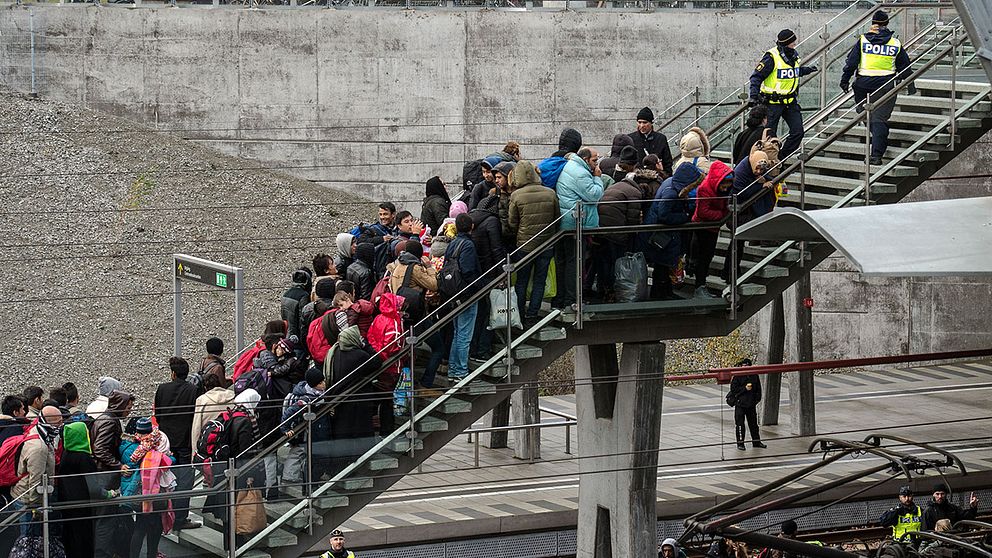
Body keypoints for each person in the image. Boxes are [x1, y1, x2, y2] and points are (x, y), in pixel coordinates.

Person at [840, 10, 914, 165]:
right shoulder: (895, 43)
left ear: (873, 24)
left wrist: (844, 80)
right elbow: (905, 66)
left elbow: (851, 63)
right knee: (879, 119)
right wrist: (911, 85)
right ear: (887, 24)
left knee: (865, 114)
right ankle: (876, 154)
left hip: (862, 85)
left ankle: (879, 140)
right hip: (885, 86)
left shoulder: (862, 41)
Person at [749, 29, 817, 160]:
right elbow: (756, 77)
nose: (795, 44)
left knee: (798, 132)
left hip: (790, 102)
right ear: (786, 43)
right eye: (792, 42)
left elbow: (792, 71)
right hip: (772, 104)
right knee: (768, 137)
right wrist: (754, 96)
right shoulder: (771, 57)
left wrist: (806, 70)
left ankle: (780, 158)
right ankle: (767, 161)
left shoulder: (793, 55)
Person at [553, 147, 605, 310]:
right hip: (575, 224)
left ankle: (559, 300)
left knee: (563, 262)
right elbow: (594, 195)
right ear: (585, 159)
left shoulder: (571, 167)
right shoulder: (581, 173)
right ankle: (571, 300)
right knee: (574, 263)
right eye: (594, 160)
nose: (597, 164)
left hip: (565, 221)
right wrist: (597, 178)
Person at [508, 160, 559, 325]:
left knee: (521, 281)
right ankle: (532, 315)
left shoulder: (516, 196)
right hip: (546, 245)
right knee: (540, 280)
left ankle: (520, 315)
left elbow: (512, 223)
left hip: (525, 246)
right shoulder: (550, 193)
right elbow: (556, 219)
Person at [153, 356, 200, 530]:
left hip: (166, 444)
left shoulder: (162, 389)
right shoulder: (193, 390)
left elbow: (157, 414)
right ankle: (180, 518)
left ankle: (164, 515)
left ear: (173, 373)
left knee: (165, 480)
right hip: (186, 442)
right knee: (185, 481)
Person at [644, 163, 704, 300]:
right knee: (663, 264)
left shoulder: (671, 184)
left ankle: (664, 292)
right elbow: (664, 215)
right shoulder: (671, 192)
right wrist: (685, 216)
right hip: (662, 233)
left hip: (663, 232)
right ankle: (660, 294)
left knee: (664, 263)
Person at [325, 325, 380, 473]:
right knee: (359, 432)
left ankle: (337, 466)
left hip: (339, 398)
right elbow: (377, 362)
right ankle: (360, 462)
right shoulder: (359, 355)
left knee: (342, 433)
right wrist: (366, 345)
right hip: (357, 400)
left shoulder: (334, 352)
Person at [597, 166, 657, 300]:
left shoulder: (619, 185)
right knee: (617, 261)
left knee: (605, 260)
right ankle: (617, 291)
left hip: (602, 226)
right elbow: (632, 220)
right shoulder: (635, 193)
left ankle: (604, 289)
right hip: (617, 229)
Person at [90, 390, 135, 558]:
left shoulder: (104, 418)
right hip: (105, 477)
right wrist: (119, 465)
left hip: (101, 475)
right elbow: (100, 449)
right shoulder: (110, 421)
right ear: (119, 405)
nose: (129, 411)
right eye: (128, 407)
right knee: (105, 520)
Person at [123, 419, 175, 558]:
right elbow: (170, 460)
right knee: (154, 524)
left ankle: (135, 556)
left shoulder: (133, 446)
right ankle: (151, 554)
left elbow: (131, 462)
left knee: (141, 525)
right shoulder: (160, 439)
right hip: (157, 491)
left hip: (139, 492)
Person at [9, 405, 60, 536]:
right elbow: (36, 482)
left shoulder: (40, 433)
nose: (62, 424)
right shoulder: (39, 448)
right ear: (48, 422)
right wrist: (37, 509)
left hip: (23, 496)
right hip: (28, 502)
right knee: (28, 540)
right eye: (58, 421)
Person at [469, 194, 507, 358]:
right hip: (491, 272)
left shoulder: (473, 220)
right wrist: (503, 271)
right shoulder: (491, 221)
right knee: (490, 313)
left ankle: (473, 348)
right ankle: (483, 350)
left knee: (480, 312)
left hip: (479, 273)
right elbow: (497, 249)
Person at [280, 367, 330, 486]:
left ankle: (311, 484)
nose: (324, 384)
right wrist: (285, 428)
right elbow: (290, 412)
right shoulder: (306, 399)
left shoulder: (317, 393)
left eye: (323, 381)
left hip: (318, 431)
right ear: (313, 385)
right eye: (320, 383)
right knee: (314, 459)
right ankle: (310, 485)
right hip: (313, 433)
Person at [446, 213, 481, 381]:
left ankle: (453, 370)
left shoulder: (452, 244)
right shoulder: (468, 245)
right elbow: (468, 271)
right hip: (466, 294)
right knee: (465, 335)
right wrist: (478, 286)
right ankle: (461, 371)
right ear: (472, 227)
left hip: (453, 293)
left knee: (457, 332)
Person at [691, 160, 734, 297]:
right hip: (703, 227)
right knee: (703, 257)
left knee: (707, 257)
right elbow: (703, 212)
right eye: (724, 183)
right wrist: (722, 215)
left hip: (713, 227)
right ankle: (699, 286)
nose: (726, 187)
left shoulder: (724, 190)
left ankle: (701, 285)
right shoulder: (704, 189)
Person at [56, 421, 98, 558]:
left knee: (71, 536)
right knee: (84, 539)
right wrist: (109, 493)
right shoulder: (84, 458)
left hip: (67, 503)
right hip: (83, 505)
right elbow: (93, 487)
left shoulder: (66, 454)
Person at [726, 358, 766, 450]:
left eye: (747, 365)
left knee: (754, 425)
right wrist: (745, 388)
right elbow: (734, 390)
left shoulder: (754, 375)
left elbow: (758, 389)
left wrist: (756, 400)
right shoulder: (737, 375)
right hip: (740, 404)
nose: (745, 367)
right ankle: (740, 443)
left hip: (751, 404)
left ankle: (756, 442)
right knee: (740, 424)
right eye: (744, 365)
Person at [628, 107, 674, 176]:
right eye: (639, 122)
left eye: (645, 122)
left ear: (651, 123)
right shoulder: (631, 139)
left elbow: (667, 162)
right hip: (637, 179)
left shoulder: (661, 139)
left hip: (657, 179)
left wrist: (665, 177)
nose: (642, 125)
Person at [282, 267, 314, 347]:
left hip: (287, 334)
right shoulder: (304, 296)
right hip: (298, 338)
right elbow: (303, 319)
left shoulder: (286, 294)